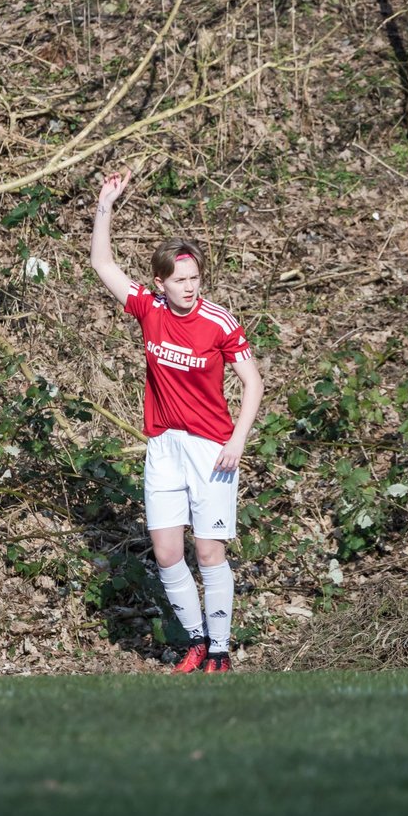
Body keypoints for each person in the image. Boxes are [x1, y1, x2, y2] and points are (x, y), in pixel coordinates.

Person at [89, 170, 264, 673]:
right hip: (163, 447)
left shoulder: (220, 322)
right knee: (167, 552)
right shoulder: (148, 309)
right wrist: (106, 205)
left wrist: (238, 439)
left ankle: (221, 651)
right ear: (161, 282)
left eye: (195, 279)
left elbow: (253, 383)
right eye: (180, 280)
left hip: (212, 448)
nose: (190, 288)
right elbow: (102, 262)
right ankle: (194, 641)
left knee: (209, 553)